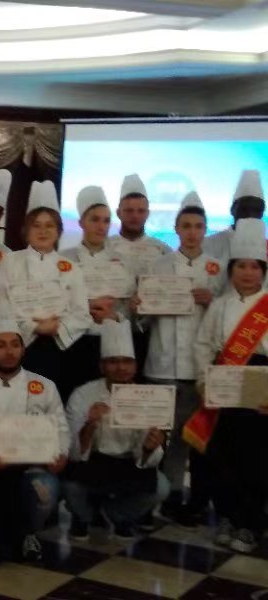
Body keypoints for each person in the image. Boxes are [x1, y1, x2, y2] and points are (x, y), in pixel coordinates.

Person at [0, 315, 69, 564]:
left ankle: (30, 532)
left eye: (15, 345)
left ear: (23, 349)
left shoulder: (45, 386)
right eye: (0, 345)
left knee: (45, 488)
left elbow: (60, 428)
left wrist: (61, 453)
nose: (9, 352)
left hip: (34, 468)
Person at [138, 192, 222, 522]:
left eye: (198, 226)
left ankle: (175, 495)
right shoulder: (158, 266)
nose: (192, 232)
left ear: (205, 229)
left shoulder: (216, 269)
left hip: (196, 369)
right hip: (160, 365)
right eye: (186, 226)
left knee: (186, 440)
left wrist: (211, 301)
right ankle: (150, 496)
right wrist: (141, 307)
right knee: (155, 436)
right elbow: (143, 322)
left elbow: (225, 317)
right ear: (176, 228)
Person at [193, 218, 268, 554]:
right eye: (241, 266)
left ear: (263, 271)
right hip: (223, 383)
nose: (248, 273)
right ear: (231, 269)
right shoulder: (220, 305)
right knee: (223, 455)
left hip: (260, 387)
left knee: (256, 458)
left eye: (254, 267)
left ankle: (250, 524)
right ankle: (226, 516)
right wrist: (203, 381)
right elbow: (203, 345)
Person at [64, 319, 170, 542]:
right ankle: (83, 516)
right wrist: (90, 425)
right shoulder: (83, 394)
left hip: (128, 462)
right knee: (71, 484)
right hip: (92, 461)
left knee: (161, 487)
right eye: (113, 362)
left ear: (135, 367)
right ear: (102, 366)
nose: (121, 368)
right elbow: (72, 452)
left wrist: (149, 447)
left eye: (127, 362)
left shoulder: (147, 397)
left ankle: (116, 514)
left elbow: (148, 458)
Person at [0, 181, 91, 401]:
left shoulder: (71, 267)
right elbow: (1, 306)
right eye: (36, 225)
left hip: (60, 350)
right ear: (26, 231)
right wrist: (35, 327)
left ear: (59, 231)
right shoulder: (9, 262)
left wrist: (56, 328)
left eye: (50, 225)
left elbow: (82, 314)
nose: (43, 231)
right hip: (18, 347)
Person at [62, 186, 136, 385]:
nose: (101, 226)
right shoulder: (63, 260)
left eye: (106, 220)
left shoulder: (123, 263)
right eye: (94, 219)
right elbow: (52, 303)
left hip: (113, 346)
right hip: (73, 342)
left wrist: (115, 316)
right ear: (81, 222)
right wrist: (85, 306)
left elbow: (131, 311)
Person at [108, 173, 172, 276]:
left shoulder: (162, 251)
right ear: (118, 213)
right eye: (129, 211)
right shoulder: (104, 248)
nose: (135, 216)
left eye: (141, 211)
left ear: (147, 214)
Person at [203, 170, 265, 264]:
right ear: (232, 210)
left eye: (256, 210)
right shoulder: (209, 244)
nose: (250, 214)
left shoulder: (265, 248)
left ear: (262, 214)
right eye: (244, 208)